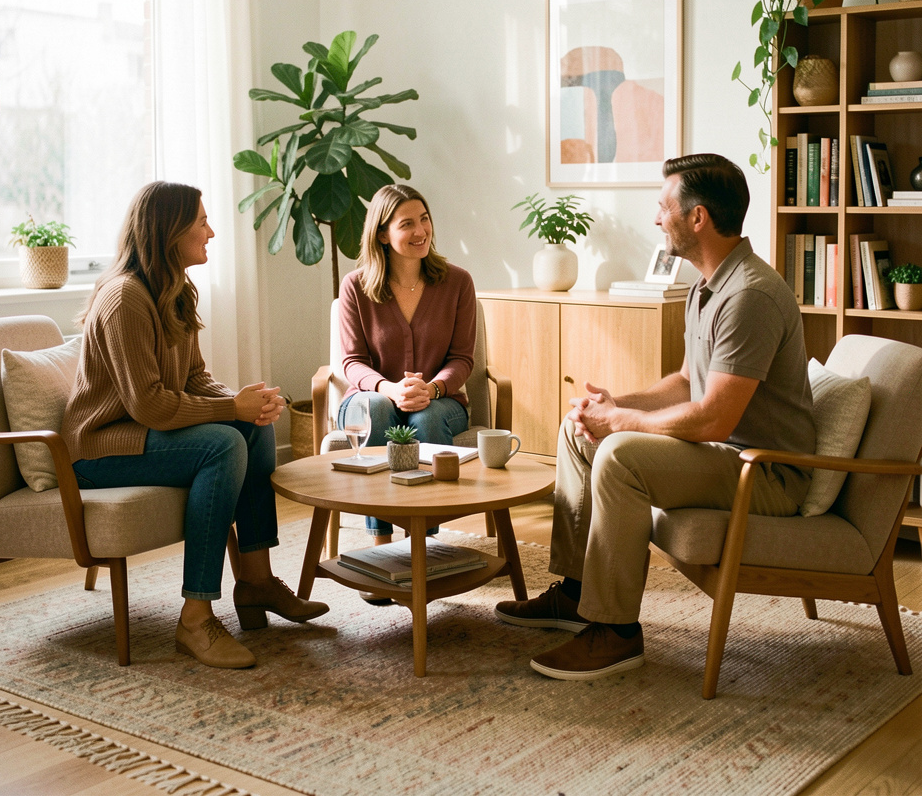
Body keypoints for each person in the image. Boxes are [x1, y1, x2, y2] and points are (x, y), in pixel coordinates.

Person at [495, 153, 815, 681]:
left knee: (620, 454)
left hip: (766, 472)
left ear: (698, 218)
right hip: (726, 454)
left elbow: (713, 419)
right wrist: (614, 403)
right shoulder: (707, 284)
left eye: (663, 207)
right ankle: (578, 595)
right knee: (577, 433)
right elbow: (689, 381)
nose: (656, 218)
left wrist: (620, 424)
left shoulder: (750, 296)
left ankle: (615, 631)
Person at [62, 181, 327, 670]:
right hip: (98, 451)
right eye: (201, 222)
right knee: (225, 443)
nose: (211, 231)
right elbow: (149, 406)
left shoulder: (177, 290)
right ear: (170, 232)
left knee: (254, 429)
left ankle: (255, 580)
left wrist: (246, 403)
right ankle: (195, 618)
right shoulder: (124, 299)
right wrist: (232, 411)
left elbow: (194, 379)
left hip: (145, 437)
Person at [337, 184, 476, 587]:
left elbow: (463, 359)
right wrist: (388, 388)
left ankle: (424, 546)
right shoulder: (356, 286)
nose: (421, 231)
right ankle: (381, 544)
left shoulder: (457, 282)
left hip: (441, 398)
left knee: (427, 413)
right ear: (382, 233)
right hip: (370, 398)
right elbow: (351, 362)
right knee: (380, 410)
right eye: (407, 224)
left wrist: (430, 389)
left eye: (425, 219)